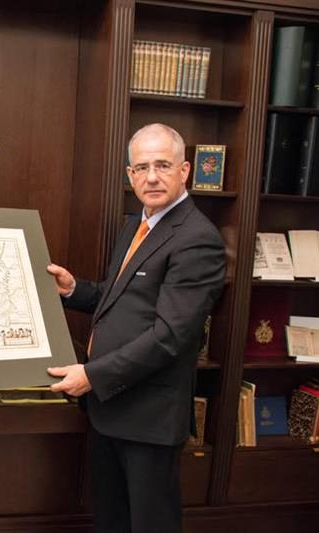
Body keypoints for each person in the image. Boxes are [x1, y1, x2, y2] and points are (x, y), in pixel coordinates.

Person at [46, 123, 226, 533]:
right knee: (112, 522)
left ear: (185, 170)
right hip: (110, 409)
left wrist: (92, 375)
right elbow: (122, 298)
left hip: (149, 419)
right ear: (130, 175)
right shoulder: (137, 223)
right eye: (142, 167)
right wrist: (74, 290)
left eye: (163, 165)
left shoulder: (198, 239)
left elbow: (170, 337)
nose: (151, 177)